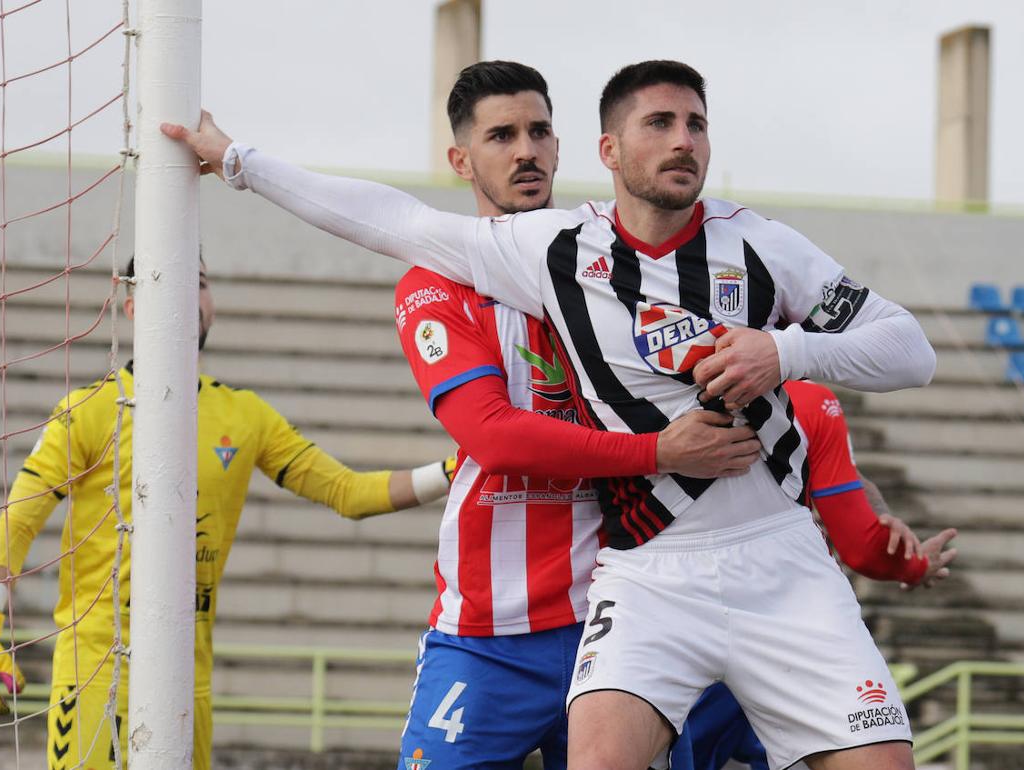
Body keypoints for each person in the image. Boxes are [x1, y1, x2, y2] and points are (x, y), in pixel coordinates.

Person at [164, 58, 937, 770]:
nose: (682, 140)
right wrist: (241, 163)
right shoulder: (539, 253)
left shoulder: (762, 245)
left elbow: (905, 351)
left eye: (695, 124)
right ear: (610, 149)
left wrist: (785, 352)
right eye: (659, 124)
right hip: (596, 594)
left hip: (732, 566)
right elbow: (399, 233)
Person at [0, 256, 454, 770]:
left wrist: (452, 470)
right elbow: (19, 518)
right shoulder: (90, 409)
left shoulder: (245, 415)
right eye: (170, 281)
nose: (189, 293)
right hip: (94, 670)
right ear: (131, 306)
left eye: (201, 282)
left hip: (189, 683)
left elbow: (349, 492)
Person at [395, 60, 760, 770]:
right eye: (502, 136)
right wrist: (658, 453)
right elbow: (492, 437)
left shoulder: (621, 271)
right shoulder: (435, 282)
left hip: (628, 625)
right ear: (461, 160)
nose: (526, 150)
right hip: (489, 634)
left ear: (563, 147)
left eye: (539, 131)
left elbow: (765, 368)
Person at [675, 380, 958, 770]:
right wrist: (908, 563)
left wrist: (884, 524)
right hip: (755, 618)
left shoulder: (646, 376)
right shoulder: (803, 396)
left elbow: (850, 479)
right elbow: (859, 542)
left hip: (726, 616)